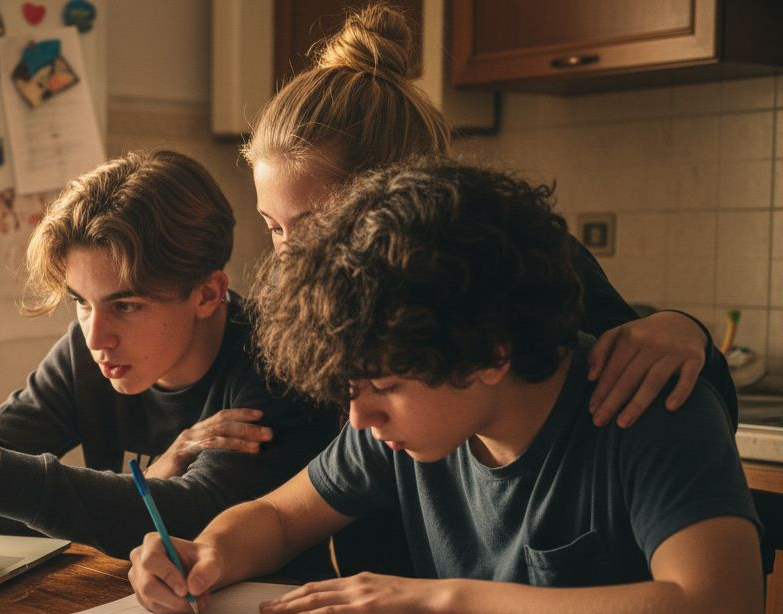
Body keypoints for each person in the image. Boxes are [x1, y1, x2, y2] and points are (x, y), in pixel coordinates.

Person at [128, 157, 766, 614]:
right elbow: (278, 517)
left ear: (491, 353)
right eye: (350, 387)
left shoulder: (645, 405)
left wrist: (439, 600)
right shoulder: (401, 427)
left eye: (384, 386)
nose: (359, 415)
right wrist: (208, 553)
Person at [0, 150, 341, 567]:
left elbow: (197, 525)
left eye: (126, 305)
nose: (97, 337)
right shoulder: (86, 352)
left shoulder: (276, 360)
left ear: (208, 294)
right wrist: (153, 480)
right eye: (82, 302)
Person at [241, 4, 733, 432]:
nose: (288, 257)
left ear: (398, 193)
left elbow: (674, 394)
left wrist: (684, 333)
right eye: (274, 228)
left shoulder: (512, 263)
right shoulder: (291, 300)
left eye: (313, 226)